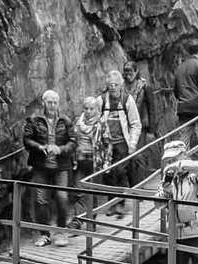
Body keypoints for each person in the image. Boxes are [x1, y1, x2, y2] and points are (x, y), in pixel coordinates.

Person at [23, 89, 72, 247]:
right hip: (40, 166)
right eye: (49, 102)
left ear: (59, 104)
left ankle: (61, 231)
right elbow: (27, 140)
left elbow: (73, 142)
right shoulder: (34, 120)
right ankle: (44, 234)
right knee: (40, 199)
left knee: (62, 197)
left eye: (55, 102)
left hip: (61, 166)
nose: (52, 105)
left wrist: (61, 149)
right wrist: (39, 147)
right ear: (43, 103)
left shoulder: (65, 121)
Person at [100, 69, 141, 217]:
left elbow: (136, 123)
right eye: (110, 84)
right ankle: (112, 203)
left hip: (123, 143)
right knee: (108, 174)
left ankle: (120, 204)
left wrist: (133, 144)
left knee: (120, 172)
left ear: (121, 85)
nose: (113, 87)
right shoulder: (102, 100)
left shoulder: (127, 100)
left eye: (116, 84)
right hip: (107, 145)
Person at [70, 94, 103, 226]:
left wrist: (106, 162)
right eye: (86, 108)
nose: (88, 112)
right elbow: (73, 137)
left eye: (91, 109)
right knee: (78, 190)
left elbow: (107, 143)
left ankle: (91, 221)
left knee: (92, 192)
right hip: (79, 160)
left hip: (94, 162)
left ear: (96, 109)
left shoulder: (101, 123)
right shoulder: (78, 122)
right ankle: (77, 221)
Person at [174, 41, 198, 146]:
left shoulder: (180, 67)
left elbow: (176, 90)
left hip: (183, 105)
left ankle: (181, 160)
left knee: (184, 137)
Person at [123, 61, 156, 171]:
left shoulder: (144, 86)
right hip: (125, 125)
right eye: (125, 71)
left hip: (141, 124)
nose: (128, 74)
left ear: (136, 71)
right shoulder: (122, 86)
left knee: (139, 154)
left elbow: (152, 108)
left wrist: (152, 130)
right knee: (127, 153)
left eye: (130, 71)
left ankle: (141, 181)